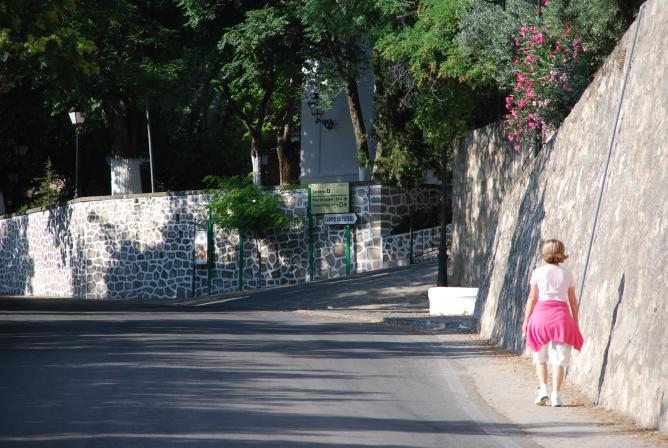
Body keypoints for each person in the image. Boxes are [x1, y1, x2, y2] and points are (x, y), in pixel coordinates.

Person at [522, 239, 584, 407]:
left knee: (540, 357)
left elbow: (532, 298)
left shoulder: (538, 272)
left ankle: (543, 389)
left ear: (545, 252)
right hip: (561, 317)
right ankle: (556, 394)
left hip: (540, 316)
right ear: (561, 252)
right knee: (559, 360)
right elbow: (573, 301)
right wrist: (575, 322)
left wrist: (526, 319)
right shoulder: (567, 274)